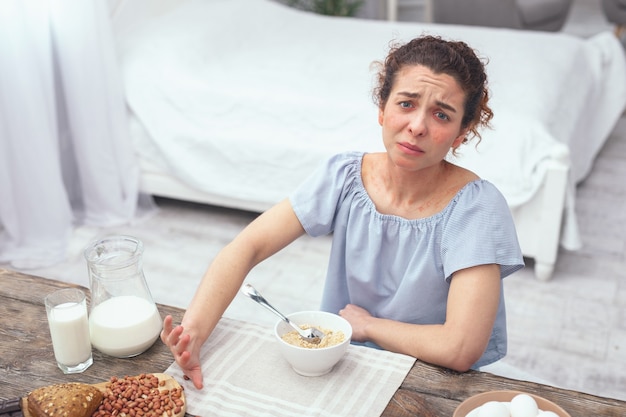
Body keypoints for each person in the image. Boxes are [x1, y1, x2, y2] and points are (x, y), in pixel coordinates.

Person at [161, 35, 524, 390]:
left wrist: (369, 326)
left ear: (461, 134)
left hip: (433, 379)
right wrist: (192, 333)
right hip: (346, 365)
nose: (417, 127)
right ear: (382, 110)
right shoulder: (345, 176)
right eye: (406, 104)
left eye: (441, 115)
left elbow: (460, 349)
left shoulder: (477, 207)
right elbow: (247, 247)